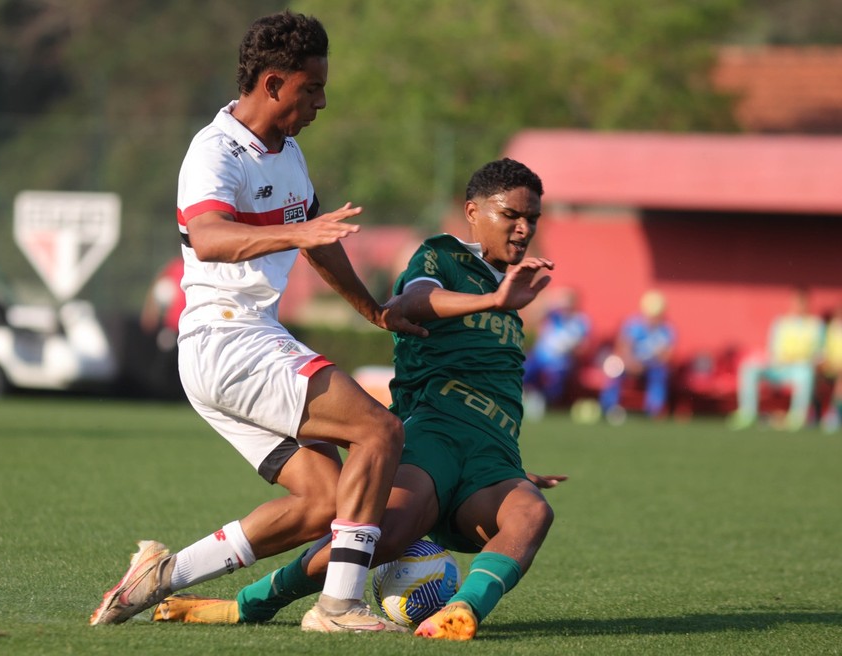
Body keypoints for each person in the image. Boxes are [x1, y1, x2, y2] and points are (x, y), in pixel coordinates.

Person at [89, 10, 424, 633]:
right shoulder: (214, 151)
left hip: (238, 346)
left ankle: (162, 575)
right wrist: (298, 231)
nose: (322, 101)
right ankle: (339, 606)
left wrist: (374, 310)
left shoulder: (289, 153)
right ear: (273, 83)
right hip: (227, 339)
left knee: (326, 500)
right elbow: (210, 236)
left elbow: (319, 244)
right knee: (379, 431)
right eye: (311, 87)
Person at [152, 158, 567, 641]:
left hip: (493, 457)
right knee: (379, 536)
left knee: (532, 512)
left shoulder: (511, 296)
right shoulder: (443, 255)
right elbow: (408, 305)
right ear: (473, 212)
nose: (523, 228)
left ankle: (461, 614)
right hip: (432, 436)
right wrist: (492, 302)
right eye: (510, 215)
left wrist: (515, 468)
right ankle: (248, 604)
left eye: (532, 219)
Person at [728, 288, 824, 431]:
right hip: (778, 366)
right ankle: (748, 413)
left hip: (799, 369)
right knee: (749, 368)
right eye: (796, 302)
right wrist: (778, 360)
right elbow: (773, 350)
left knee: (805, 373)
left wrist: (802, 360)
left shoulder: (815, 325)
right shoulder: (781, 322)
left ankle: (797, 417)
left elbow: (819, 355)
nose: (799, 305)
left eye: (802, 302)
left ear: (807, 304)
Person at [598, 289, 676, 420]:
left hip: (652, 366)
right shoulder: (633, 325)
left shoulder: (667, 329)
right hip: (631, 363)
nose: (654, 318)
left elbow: (667, 356)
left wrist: (653, 361)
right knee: (614, 370)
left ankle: (653, 411)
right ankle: (608, 407)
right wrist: (632, 363)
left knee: (660, 374)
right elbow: (623, 347)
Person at [522, 288, 589, 408]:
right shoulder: (553, 316)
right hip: (539, 358)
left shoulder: (580, 321)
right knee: (525, 369)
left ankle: (549, 403)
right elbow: (532, 318)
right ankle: (528, 397)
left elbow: (583, 347)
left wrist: (571, 349)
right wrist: (549, 304)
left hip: (562, 362)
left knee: (555, 379)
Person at [819, 301, 842, 432]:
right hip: (831, 367)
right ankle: (828, 412)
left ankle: (834, 412)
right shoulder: (830, 330)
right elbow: (823, 352)